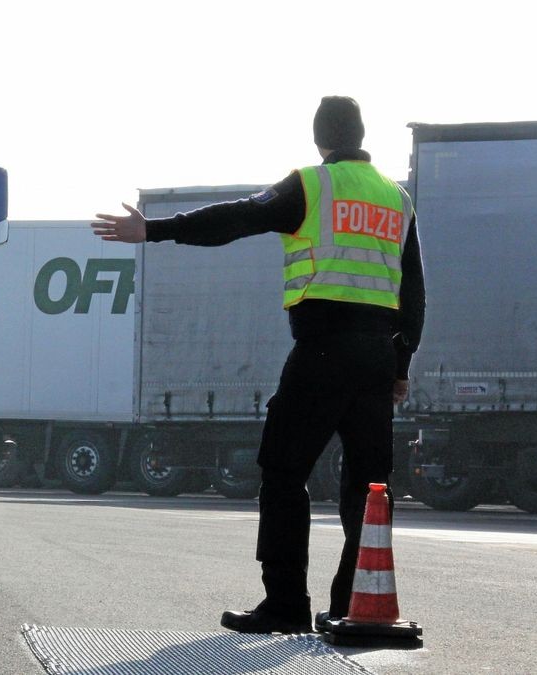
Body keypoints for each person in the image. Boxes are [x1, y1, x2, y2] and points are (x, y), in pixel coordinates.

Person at [92, 96, 425, 634]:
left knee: (283, 471)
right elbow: (414, 291)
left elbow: (237, 218)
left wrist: (154, 230)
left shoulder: (312, 185)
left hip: (322, 350)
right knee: (366, 487)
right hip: (376, 360)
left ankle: (287, 602)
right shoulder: (397, 199)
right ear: (362, 136)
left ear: (320, 140)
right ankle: (351, 603)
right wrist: (401, 363)